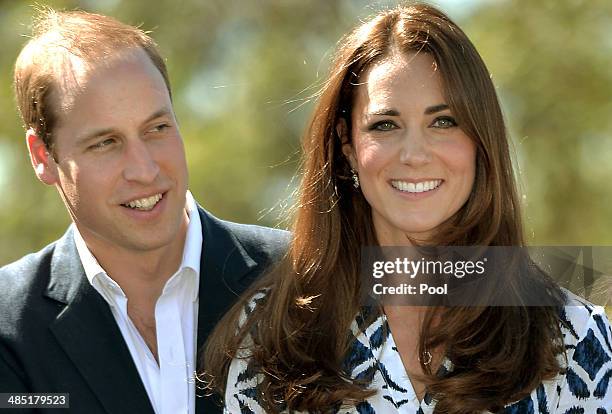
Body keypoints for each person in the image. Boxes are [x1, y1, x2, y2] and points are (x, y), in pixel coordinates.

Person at [201, 3, 612, 413]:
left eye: (444, 121)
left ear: (479, 141)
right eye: (385, 125)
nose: (414, 155)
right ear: (347, 146)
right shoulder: (275, 337)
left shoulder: (572, 338)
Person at [0, 8, 287, 414]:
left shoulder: (302, 277)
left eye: (157, 129)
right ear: (43, 156)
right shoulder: (8, 325)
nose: (145, 170)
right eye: (105, 143)